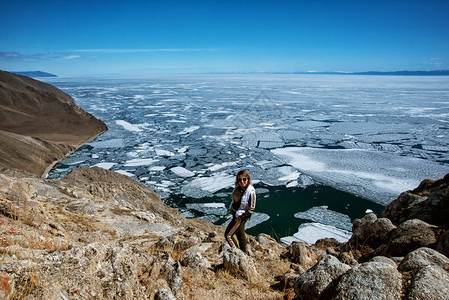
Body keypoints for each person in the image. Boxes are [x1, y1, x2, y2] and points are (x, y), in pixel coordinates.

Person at [224, 170, 256, 253]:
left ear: (248, 179)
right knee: (240, 235)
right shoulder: (239, 188)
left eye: (244, 179)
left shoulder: (251, 191)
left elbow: (251, 208)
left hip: (240, 217)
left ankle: (237, 253)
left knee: (228, 236)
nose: (242, 181)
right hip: (236, 214)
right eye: (239, 179)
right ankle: (243, 253)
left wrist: (241, 217)